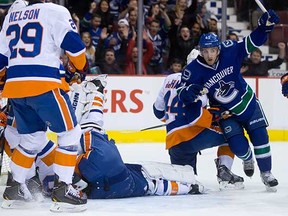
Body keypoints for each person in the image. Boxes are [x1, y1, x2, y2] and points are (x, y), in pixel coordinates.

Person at [178, 9, 280, 191]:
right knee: (239, 147)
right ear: (200, 51)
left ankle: (266, 173)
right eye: (205, 51)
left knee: (261, 138)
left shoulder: (230, 50)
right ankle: (247, 158)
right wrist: (190, 92)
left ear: (218, 49)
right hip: (226, 112)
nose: (209, 55)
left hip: (248, 103)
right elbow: (181, 94)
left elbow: (252, 42)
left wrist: (264, 28)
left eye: (213, 50)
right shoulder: (193, 70)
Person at [0, 0, 88, 212]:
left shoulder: (12, 16)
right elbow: (74, 45)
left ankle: (15, 188)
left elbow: (1, 60)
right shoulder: (54, 10)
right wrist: (80, 67)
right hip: (43, 84)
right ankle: (64, 190)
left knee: (32, 138)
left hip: (15, 89)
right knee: (70, 133)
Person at [68, 75, 205, 198]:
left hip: (106, 180)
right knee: (87, 131)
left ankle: (189, 187)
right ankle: (96, 91)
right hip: (110, 174)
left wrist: (187, 188)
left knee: (151, 186)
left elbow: (158, 187)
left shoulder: (129, 184)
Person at [153, 52, 244, 190]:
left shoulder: (169, 78)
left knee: (187, 184)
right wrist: (217, 116)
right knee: (233, 131)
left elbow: (158, 111)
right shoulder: (201, 81)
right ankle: (224, 170)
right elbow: (196, 116)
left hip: (174, 143)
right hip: (192, 138)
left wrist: (173, 120)